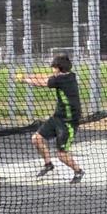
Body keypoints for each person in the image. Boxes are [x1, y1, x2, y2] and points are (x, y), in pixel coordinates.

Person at [16, 53, 85, 183]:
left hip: (68, 123)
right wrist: (27, 75)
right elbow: (45, 77)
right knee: (36, 139)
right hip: (57, 117)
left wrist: (24, 80)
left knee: (61, 154)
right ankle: (48, 164)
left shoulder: (61, 79)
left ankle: (78, 171)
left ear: (59, 68)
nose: (52, 69)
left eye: (54, 67)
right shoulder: (68, 76)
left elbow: (42, 82)